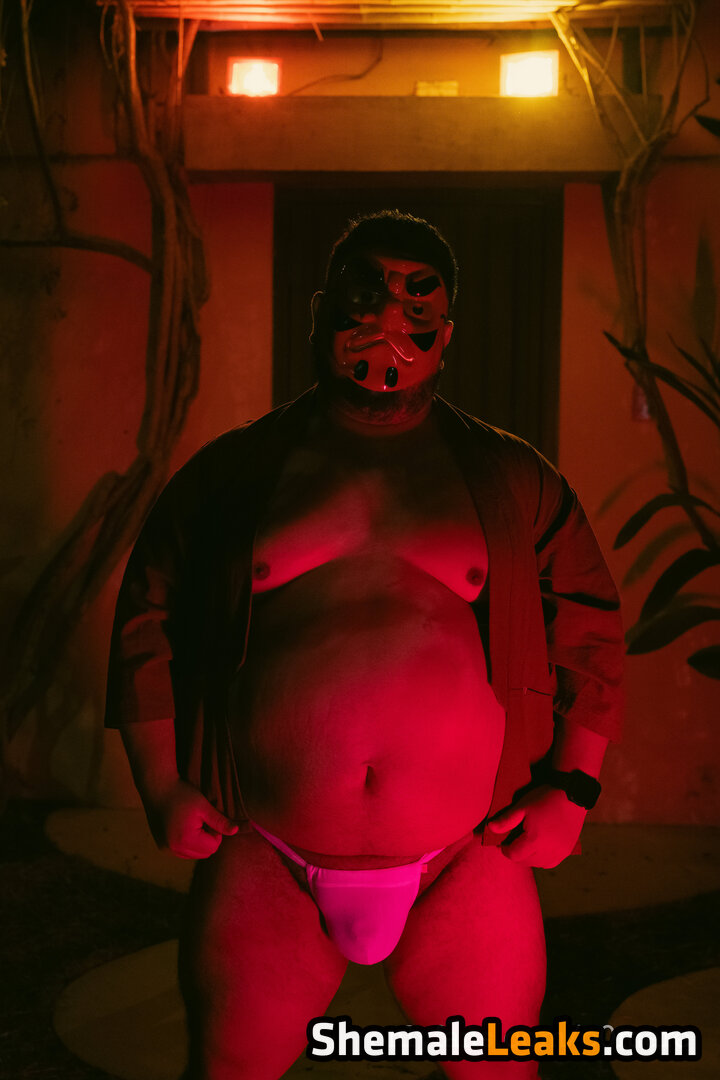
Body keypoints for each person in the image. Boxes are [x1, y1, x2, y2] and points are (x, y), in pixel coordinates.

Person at [106, 211, 624, 1080]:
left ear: (446, 334)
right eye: (364, 297)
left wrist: (571, 788)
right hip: (266, 844)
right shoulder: (234, 473)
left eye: (415, 308)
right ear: (320, 311)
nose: (386, 325)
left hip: (467, 852)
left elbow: (590, 625)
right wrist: (160, 781)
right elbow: (145, 617)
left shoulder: (511, 476)